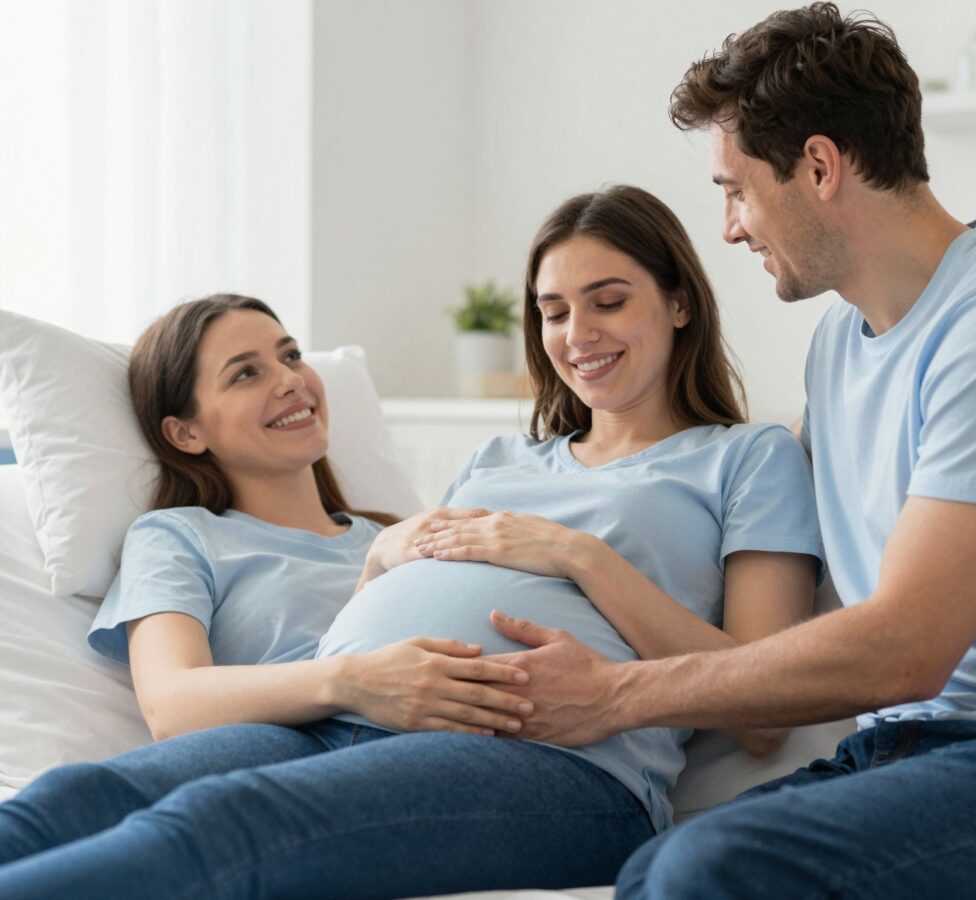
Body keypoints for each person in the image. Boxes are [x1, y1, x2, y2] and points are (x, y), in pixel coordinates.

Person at [472, 6, 976, 898]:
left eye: (735, 190)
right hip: (918, 751)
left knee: (709, 873)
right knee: (657, 869)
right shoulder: (840, 345)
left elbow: (906, 648)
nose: (731, 227)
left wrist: (617, 694)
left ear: (818, 166)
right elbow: (747, 529)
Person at [0, 186, 824, 899]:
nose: (578, 334)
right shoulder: (498, 460)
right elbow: (380, 621)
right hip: (343, 721)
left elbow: (764, 711)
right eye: (553, 311)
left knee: (227, 822)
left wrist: (580, 556)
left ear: (679, 303)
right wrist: (378, 566)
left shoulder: (747, 457)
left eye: (609, 301)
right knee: (80, 798)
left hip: (561, 766)